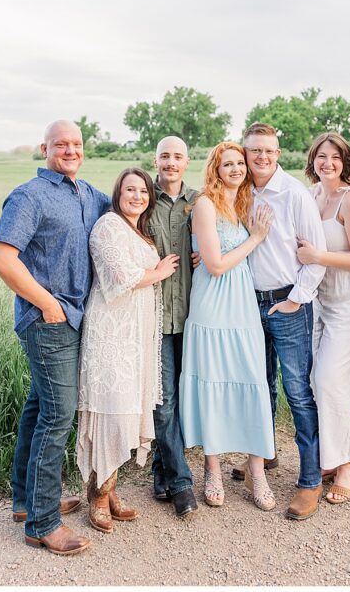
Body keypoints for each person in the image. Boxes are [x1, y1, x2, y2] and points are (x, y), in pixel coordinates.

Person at [0, 120, 111, 556]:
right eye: (61, 144)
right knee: (58, 415)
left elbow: (135, 212)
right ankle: (42, 523)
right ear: (45, 148)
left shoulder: (90, 195)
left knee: (40, 405)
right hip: (48, 321)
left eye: (76, 144)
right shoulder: (29, 196)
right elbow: (1, 258)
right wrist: (47, 303)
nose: (70, 150)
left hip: (79, 319)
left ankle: (26, 501)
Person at [76, 168, 177, 533]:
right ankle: (98, 496)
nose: (137, 196)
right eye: (130, 190)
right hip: (111, 331)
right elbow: (121, 278)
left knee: (127, 408)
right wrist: (161, 271)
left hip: (136, 335)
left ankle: (111, 487)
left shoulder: (140, 231)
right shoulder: (108, 226)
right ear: (118, 193)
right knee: (110, 412)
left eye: (143, 191)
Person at [234, 122, 326, 521]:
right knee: (259, 387)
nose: (262, 157)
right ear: (246, 151)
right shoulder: (237, 191)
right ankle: (266, 455)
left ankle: (310, 480)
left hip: (287, 303)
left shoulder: (294, 194)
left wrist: (296, 300)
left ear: (278, 153)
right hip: (246, 305)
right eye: (255, 151)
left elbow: (316, 253)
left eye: (269, 151)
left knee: (297, 391)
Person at [179, 142, 277, 511]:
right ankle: (213, 469)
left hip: (243, 308)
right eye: (227, 164)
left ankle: (257, 472)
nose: (235, 169)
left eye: (239, 163)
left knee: (252, 382)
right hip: (212, 307)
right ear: (215, 170)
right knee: (213, 385)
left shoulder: (245, 203)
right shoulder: (205, 204)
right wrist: (254, 239)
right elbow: (216, 265)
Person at [296, 133, 350, 505]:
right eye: (321, 156)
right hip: (317, 301)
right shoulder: (311, 194)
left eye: (335, 157)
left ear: (345, 161)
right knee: (315, 380)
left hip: (347, 304)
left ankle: (349, 462)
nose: (327, 163)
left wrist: (318, 257)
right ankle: (331, 457)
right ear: (313, 160)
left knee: (331, 380)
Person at [147, 136, 200, 517]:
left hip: (195, 315)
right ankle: (181, 484)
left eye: (177, 156)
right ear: (156, 159)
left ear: (187, 161)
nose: (171, 162)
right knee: (164, 402)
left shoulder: (199, 202)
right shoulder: (140, 197)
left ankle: (161, 470)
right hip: (154, 318)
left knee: (183, 397)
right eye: (165, 156)